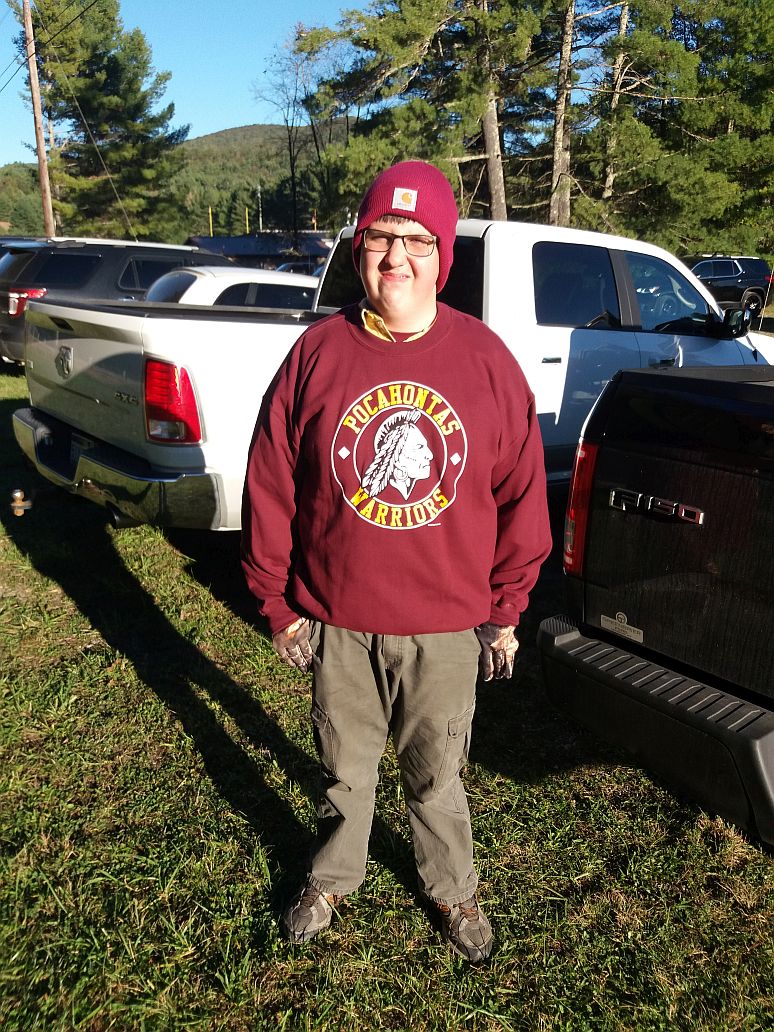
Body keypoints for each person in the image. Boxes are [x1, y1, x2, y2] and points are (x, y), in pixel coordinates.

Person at [241, 160, 552, 964]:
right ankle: (332, 877)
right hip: (338, 620)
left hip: (446, 627)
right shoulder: (318, 353)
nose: (397, 257)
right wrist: (277, 606)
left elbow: (522, 496)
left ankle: (452, 888)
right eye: (382, 237)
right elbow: (270, 484)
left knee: (437, 774)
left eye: (417, 240)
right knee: (344, 772)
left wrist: (506, 611)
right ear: (359, 248)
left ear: (441, 254)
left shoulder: (485, 359)